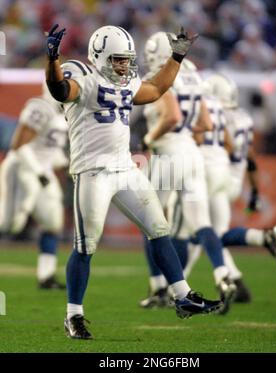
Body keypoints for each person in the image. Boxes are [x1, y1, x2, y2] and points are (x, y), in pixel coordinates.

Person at [45, 24, 223, 340]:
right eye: (116, 59)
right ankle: (74, 315)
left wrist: (177, 57)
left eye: (126, 59)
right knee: (86, 246)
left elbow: (156, 89)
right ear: (98, 56)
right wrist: (52, 59)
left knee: (159, 228)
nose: (123, 65)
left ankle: (182, 296)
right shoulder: (84, 82)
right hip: (92, 173)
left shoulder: (127, 84)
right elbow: (60, 89)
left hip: (125, 169)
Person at [170, 73, 276, 303]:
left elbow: (210, 140)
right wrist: (254, 191)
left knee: (205, 232)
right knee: (209, 234)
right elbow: (249, 157)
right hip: (230, 176)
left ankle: (257, 243)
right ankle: (235, 280)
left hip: (210, 172)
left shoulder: (214, 110)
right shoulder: (243, 116)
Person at [139, 32, 237, 315]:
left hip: (168, 154)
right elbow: (204, 122)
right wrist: (182, 136)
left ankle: (159, 287)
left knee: (151, 222)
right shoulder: (193, 73)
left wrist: (149, 139)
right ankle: (222, 275)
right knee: (201, 223)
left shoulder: (164, 74)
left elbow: (172, 117)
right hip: (192, 154)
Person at [0, 83, 68, 289]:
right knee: (9, 225)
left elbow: (50, 150)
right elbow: (18, 144)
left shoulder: (64, 113)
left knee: (52, 223)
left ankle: (46, 276)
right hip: (22, 168)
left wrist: (69, 164)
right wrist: (39, 172)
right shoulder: (41, 107)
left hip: (42, 172)